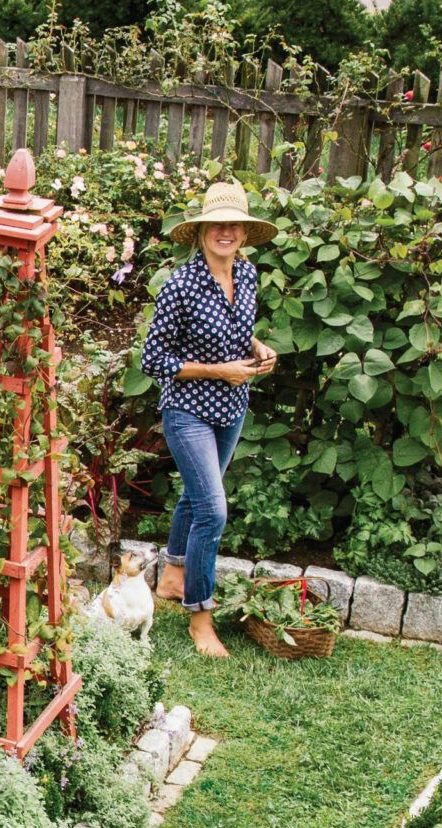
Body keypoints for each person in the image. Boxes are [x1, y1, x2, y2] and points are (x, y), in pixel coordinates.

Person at [139, 181, 278, 658]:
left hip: (230, 409)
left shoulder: (249, 274)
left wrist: (256, 347)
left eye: (233, 224)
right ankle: (201, 618)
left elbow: (239, 328)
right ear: (200, 232)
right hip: (188, 411)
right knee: (213, 510)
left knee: (199, 495)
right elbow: (152, 358)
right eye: (216, 224)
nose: (225, 231)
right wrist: (220, 370)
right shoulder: (181, 285)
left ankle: (173, 577)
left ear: (244, 233)